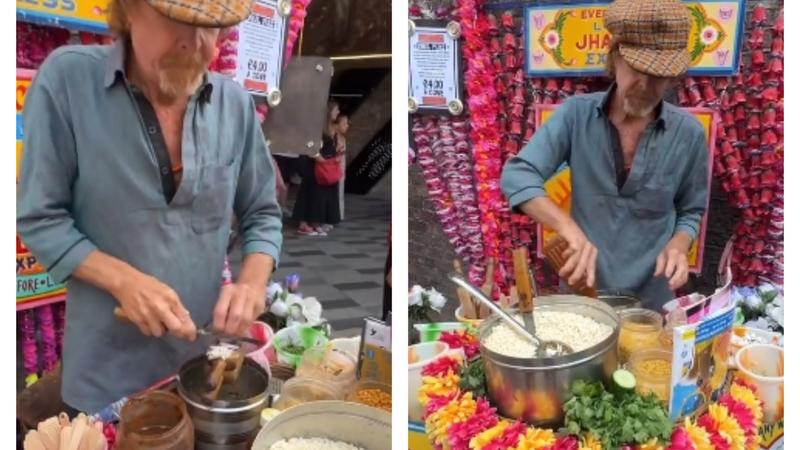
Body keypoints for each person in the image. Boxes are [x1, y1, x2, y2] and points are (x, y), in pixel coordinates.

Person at [16, 0, 283, 414]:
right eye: (177, 21)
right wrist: (124, 281)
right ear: (128, 9)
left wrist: (251, 283)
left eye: (212, 28)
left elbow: (262, 213)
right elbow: (41, 218)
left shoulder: (234, 105)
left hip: (200, 372)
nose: (194, 44)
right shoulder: (68, 81)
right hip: (104, 380)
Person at [501, 0, 709, 310]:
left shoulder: (689, 134)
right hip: (583, 292)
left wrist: (679, 245)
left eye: (659, 76)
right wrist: (567, 227)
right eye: (637, 69)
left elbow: (691, 210)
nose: (645, 85)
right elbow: (517, 175)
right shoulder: (575, 115)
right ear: (615, 57)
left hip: (651, 302)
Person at [292, 100, 342, 236]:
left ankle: (316, 221)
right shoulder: (318, 129)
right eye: (336, 110)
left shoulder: (331, 129)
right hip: (315, 167)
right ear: (329, 111)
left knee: (321, 195)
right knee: (312, 193)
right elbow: (310, 145)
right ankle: (306, 223)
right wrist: (320, 158)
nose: (338, 112)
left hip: (326, 166)